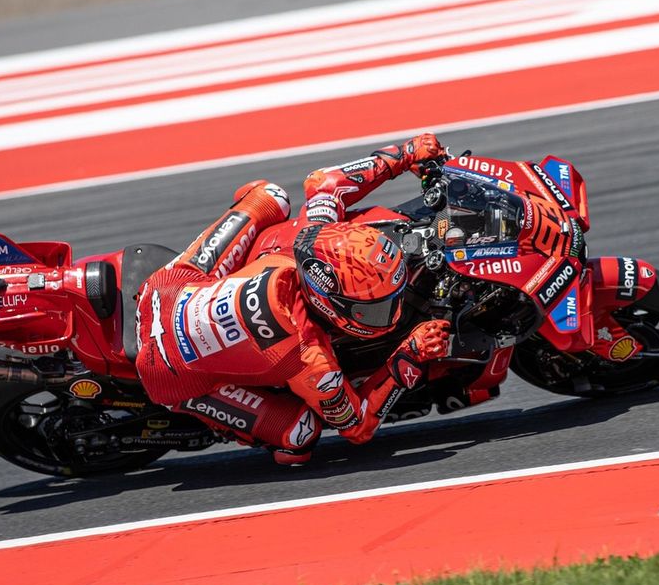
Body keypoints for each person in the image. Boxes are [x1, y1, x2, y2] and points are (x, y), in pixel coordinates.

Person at [135, 133, 451, 464]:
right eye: (375, 310)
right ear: (331, 303)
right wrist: (409, 355)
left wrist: (405, 154)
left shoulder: (313, 232)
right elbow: (357, 428)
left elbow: (325, 183)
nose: (391, 314)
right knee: (299, 436)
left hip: (169, 287)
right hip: (169, 370)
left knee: (270, 196)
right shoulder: (312, 359)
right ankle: (204, 411)